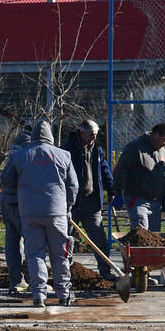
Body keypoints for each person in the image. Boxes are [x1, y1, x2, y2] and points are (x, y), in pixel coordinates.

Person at [8, 119, 79, 307]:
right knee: (60, 254)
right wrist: (67, 207)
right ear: (51, 137)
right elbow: (73, 186)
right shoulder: (64, 155)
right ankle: (64, 294)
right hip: (57, 213)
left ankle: (39, 295)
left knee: (35, 254)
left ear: (32, 137)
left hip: (29, 213)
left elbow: (6, 179)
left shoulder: (21, 156)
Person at [62, 119, 115, 280]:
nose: (94, 138)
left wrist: (111, 190)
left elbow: (104, 171)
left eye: (96, 135)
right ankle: (64, 273)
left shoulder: (97, 151)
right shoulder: (67, 150)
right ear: (82, 132)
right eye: (91, 135)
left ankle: (105, 271)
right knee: (66, 239)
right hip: (72, 203)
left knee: (99, 238)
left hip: (92, 202)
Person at [112, 123, 165, 232]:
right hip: (137, 199)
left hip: (155, 202)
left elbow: (161, 175)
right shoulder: (135, 147)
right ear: (155, 135)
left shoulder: (162, 151)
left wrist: (163, 196)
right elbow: (121, 169)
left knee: (154, 238)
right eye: (164, 140)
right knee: (141, 235)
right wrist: (117, 193)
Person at [0, 131, 31, 295]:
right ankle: (33, 281)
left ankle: (16, 280)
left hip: (6, 201)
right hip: (18, 203)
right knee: (32, 241)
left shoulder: (12, 155)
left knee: (12, 241)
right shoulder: (23, 156)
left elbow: (4, 179)